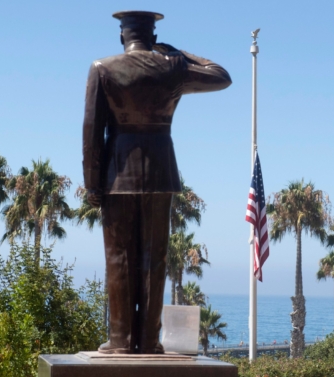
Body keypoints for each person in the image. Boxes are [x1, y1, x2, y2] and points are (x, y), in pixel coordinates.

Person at [82, 10, 231, 354]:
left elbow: (91, 132)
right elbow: (221, 76)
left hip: (117, 174)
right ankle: (149, 340)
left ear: (122, 36)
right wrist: (178, 54)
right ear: (153, 36)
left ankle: (119, 341)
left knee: (119, 258)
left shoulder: (103, 69)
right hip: (162, 170)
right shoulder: (171, 68)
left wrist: (93, 184)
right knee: (155, 259)